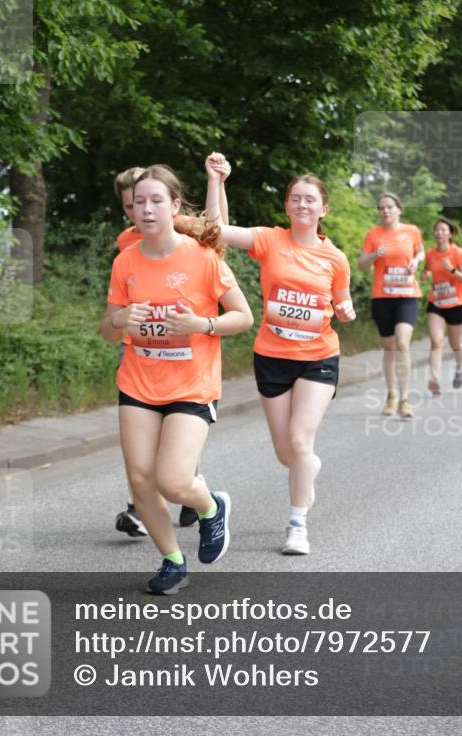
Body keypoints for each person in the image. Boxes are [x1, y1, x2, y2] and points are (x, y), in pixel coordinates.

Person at [100, 165, 253, 594]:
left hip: (192, 384)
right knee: (142, 479)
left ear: (174, 207)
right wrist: (119, 318)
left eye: (156, 201)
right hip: (138, 383)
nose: (146, 210)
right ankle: (171, 559)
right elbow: (108, 330)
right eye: (139, 203)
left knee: (173, 480)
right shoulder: (125, 260)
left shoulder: (202, 257)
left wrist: (201, 324)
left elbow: (243, 316)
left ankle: (210, 506)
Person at [205, 154, 355, 556]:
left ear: (324, 209)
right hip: (272, 356)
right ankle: (306, 471)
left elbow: (342, 300)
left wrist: (346, 309)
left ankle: (297, 526)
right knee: (286, 454)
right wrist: (217, 180)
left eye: (310, 200)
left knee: (300, 441)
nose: (303, 205)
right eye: (296, 199)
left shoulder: (335, 259)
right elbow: (215, 231)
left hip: (318, 357)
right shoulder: (270, 239)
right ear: (287, 206)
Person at [109, 164, 231, 537]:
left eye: (144, 202)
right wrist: (124, 321)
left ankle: (192, 489)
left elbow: (216, 229)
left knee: (172, 460)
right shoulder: (125, 244)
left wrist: (215, 182)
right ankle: (142, 504)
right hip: (142, 354)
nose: (139, 212)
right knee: (143, 459)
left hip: (189, 367)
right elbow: (119, 305)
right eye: (130, 206)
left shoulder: (182, 232)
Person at [358, 193, 424, 419]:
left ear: (399, 209)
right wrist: (375, 254)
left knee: (402, 344)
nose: (385, 211)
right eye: (381, 208)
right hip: (382, 297)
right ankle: (391, 395)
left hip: (407, 295)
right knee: (389, 348)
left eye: (389, 207)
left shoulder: (412, 231)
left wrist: (416, 260)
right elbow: (361, 265)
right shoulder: (373, 235)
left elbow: (420, 250)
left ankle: (405, 399)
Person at [422, 217, 462, 394]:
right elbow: (427, 267)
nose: (440, 233)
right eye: (437, 230)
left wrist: (451, 269)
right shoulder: (431, 253)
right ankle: (434, 379)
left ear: (450, 234)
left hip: (456, 303)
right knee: (436, 342)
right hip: (436, 303)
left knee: (455, 343)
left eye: (443, 230)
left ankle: (459, 367)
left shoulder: (457, 253)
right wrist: (425, 273)